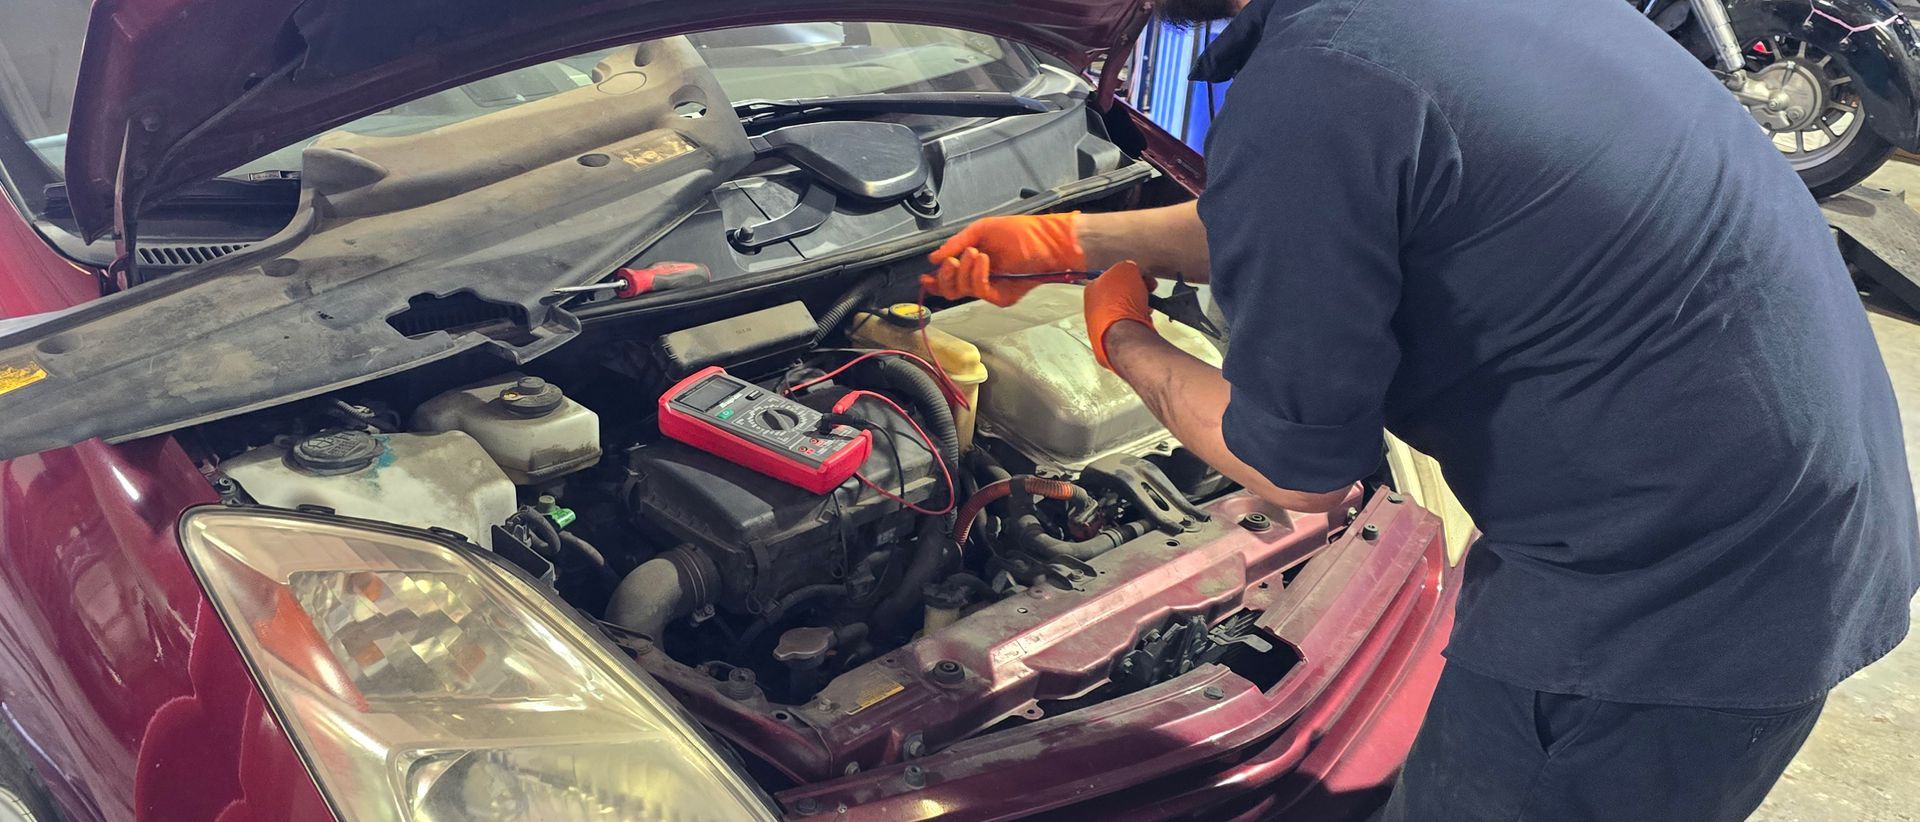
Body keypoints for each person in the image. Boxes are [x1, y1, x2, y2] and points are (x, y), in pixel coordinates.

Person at [921, 0, 1920, 819]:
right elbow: (1312, 210)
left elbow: (1298, 473)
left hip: (1670, 605)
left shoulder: (1321, 78)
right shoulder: (1419, 25)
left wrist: (1122, 341)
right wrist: (1073, 243)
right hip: (1787, 508)